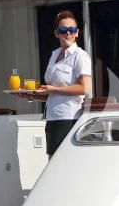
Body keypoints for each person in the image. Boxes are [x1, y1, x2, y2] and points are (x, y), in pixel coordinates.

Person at [35, 9, 92, 157]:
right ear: (57, 33)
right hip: (52, 117)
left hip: (69, 118)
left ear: (77, 33)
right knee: (52, 160)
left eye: (72, 30)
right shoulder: (54, 55)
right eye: (63, 30)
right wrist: (32, 95)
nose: (68, 33)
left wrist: (52, 89)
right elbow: (52, 92)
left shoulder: (80, 56)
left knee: (63, 162)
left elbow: (84, 88)